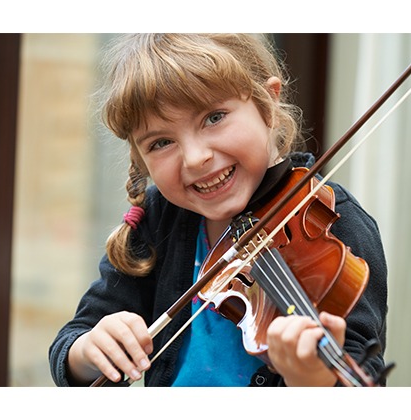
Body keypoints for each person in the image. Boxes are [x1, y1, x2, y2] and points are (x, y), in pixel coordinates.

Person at [49, 33, 388, 387]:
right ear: (140, 157)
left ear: (268, 103)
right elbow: (72, 343)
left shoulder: (331, 220)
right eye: (162, 142)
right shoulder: (160, 220)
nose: (196, 158)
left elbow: (363, 374)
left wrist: (311, 378)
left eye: (214, 118)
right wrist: (90, 351)